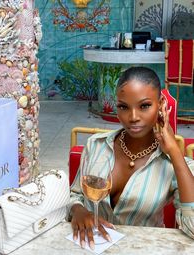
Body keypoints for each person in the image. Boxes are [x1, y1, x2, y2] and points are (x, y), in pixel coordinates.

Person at [67, 66, 194, 249]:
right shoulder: (96, 146)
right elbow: (75, 195)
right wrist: (78, 210)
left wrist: (174, 151)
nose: (133, 117)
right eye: (123, 107)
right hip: (92, 248)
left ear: (161, 105)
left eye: (144, 106)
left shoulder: (174, 165)